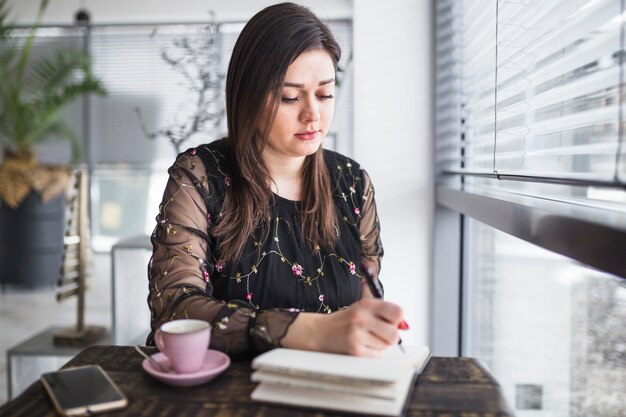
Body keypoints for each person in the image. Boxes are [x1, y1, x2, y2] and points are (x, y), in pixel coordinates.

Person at [147, 2, 406, 360]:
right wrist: (309, 331)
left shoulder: (352, 184)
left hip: (333, 389)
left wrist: (376, 330)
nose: (312, 114)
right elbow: (173, 309)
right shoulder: (200, 176)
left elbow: (367, 298)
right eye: (290, 97)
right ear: (249, 97)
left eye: (325, 94)